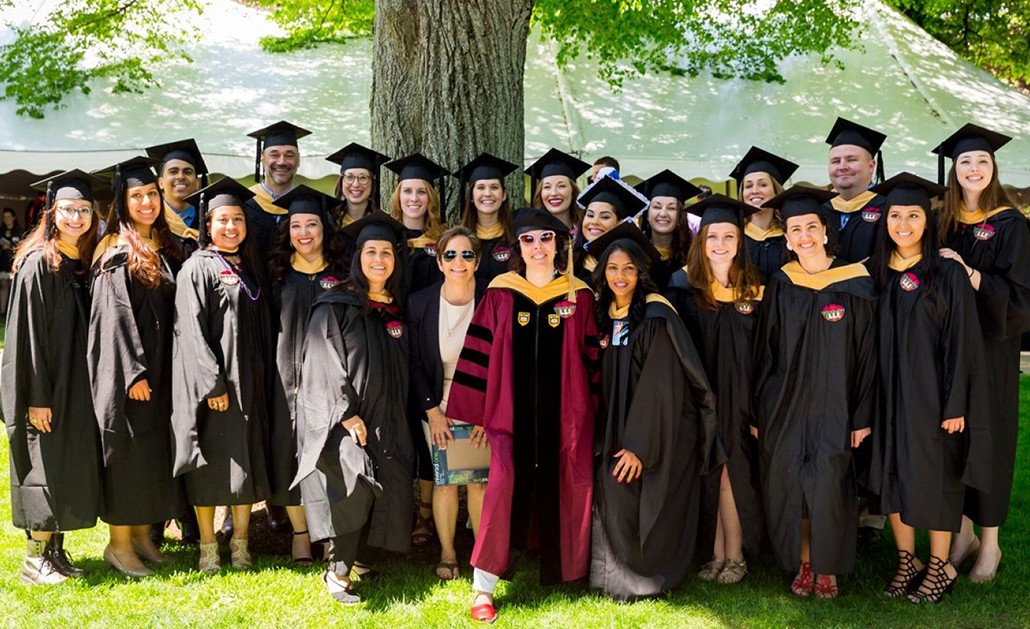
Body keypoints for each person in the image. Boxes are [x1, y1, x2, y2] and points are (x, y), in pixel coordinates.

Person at [446, 207, 599, 623]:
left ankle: (567, 568)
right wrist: (476, 413)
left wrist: (596, 414)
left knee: (570, 482)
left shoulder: (578, 296)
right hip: (507, 418)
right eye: (529, 240)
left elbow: (591, 361)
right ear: (518, 247)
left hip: (566, 418)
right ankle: (483, 587)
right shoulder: (500, 292)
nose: (538, 247)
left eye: (546, 239)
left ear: (559, 244)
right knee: (501, 490)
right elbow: (478, 353)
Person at [867, 172, 992, 603]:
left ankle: (940, 568)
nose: (904, 224)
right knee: (892, 474)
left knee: (937, 479)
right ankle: (907, 563)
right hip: (887, 395)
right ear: (885, 221)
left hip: (933, 396)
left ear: (927, 220)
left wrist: (955, 403)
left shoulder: (947, 274)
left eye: (913, 215)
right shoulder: (876, 274)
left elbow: (963, 343)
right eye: (896, 215)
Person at [753, 185, 877, 599]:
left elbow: (867, 354)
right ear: (785, 238)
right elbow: (765, 352)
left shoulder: (855, 283)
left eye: (811, 227)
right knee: (795, 487)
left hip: (835, 405)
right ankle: (806, 562)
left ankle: (829, 569)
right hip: (786, 404)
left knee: (830, 485)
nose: (804, 235)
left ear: (825, 230)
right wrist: (761, 411)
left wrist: (861, 415)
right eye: (795, 229)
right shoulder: (781, 284)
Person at [586, 222, 717, 601]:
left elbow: (661, 386)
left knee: (620, 484)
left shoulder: (656, 315)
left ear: (642, 273)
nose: (620, 276)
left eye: (629, 268)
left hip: (662, 431)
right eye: (612, 268)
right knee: (607, 483)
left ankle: (641, 579)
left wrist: (639, 447)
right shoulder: (605, 314)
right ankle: (613, 576)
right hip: (620, 426)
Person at [293, 212, 414, 605]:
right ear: (358, 257)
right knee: (353, 484)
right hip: (343, 422)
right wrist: (345, 413)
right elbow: (322, 361)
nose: (379, 259)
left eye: (386, 253)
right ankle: (336, 572)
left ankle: (361, 558)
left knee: (386, 479)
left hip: (387, 419)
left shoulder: (395, 309)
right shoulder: (337, 305)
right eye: (371, 252)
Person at [933, 123, 1030, 583]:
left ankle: (990, 546)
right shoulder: (942, 222)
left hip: (991, 348)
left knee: (988, 440)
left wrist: (971, 275)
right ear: (955, 171)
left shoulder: (1012, 225)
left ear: (993, 170)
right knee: (952, 437)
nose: (973, 168)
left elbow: (1021, 298)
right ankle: (963, 533)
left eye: (982, 162)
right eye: (966, 162)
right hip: (947, 347)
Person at [88, 157, 187, 577]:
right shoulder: (116, 251)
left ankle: (144, 536)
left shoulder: (164, 244)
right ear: (122, 203)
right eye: (136, 196)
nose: (146, 202)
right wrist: (133, 373)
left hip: (161, 370)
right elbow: (115, 317)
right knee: (128, 456)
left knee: (151, 454)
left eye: (151, 194)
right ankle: (119, 544)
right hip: (130, 375)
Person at [2, 171, 103, 584]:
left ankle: (55, 553)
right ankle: (34, 560)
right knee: (42, 467)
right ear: (51, 212)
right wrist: (37, 396)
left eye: (83, 210)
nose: (77, 217)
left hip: (71, 386)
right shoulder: (38, 264)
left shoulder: (73, 260)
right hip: (45, 389)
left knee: (64, 466)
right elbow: (26, 339)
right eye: (68, 210)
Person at [170, 177, 273, 574]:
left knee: (244, 462)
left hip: (248, 382)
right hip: (214, 388)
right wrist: (212, 383)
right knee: (210, 467)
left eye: (238, 220)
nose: (231, 227)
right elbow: (191, 331)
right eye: (222, 220)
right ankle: (208, 546)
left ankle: (241, 543)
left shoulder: (248, 268)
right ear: (207, 225)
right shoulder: (196, 268)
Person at [664, 195, 766, 586]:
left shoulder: (756, 289)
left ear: (740, 242)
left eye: (729, 236)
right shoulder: (682, 286)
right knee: (712, 471)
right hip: (702, 395)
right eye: (712, 236)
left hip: (742, 397)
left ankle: (733, 554)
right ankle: (718, 551)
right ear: (700, 241)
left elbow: (767, 351)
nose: (720, 244)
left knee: (730, 471)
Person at [267, 185, 348, 566]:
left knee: (328, 454)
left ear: (324, 230)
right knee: (288, 455)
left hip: (328, 381)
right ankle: (301, 535)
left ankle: (330, 535)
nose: (304, 233)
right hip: (284, 379)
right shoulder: (277, 276)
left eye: (312, 224)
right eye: (296, 225)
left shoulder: (342, 275)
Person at [407, 226, 488, 581]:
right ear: (439, 262)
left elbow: (501, 361)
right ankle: (448, 553)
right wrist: (432, 412)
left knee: (477, 482)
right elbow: (415, 363)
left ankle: (482, 556)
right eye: (451, 255)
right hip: (437, 404)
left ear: (477, 261)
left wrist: (487, 413)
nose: (459, 261)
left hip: (480, 404)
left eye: (467, 254)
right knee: (444, 481)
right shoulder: (421, 302)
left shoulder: (491, 299)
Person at [383, 152, 448, 543]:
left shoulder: (441, 244)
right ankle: (394, 510)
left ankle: (425, 515)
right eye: (407, 191)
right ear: (398, 196)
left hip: (426, 348)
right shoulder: (384, 241)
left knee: (427, 433)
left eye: (420, 192)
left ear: (430, 199)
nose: (413, 198)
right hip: (389, 348)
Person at [822, 117, 888, 264]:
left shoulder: (890, 208)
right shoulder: (816, 208)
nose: (842, 166)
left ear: (871, 166)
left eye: (851, 159)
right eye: (835, 161)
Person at [728, 146, 798, 280]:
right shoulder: (734, 236)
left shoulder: (790, 235)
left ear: (776, 190)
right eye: (748, 186)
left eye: (763, 184)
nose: (754, 191)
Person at [244, 120, 311, 256]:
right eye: (274, 155)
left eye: (289, 155)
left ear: (298, 159)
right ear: (262, 158)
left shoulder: (311, 206)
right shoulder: (244, 203)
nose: (281, 162)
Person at [453, 153, 519, 283]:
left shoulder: (517, 237)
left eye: (494, 187)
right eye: (480, 188)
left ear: (504, 195)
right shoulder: (458, 240)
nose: (487, 194)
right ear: (471, 196)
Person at [634, 169, 701, 289]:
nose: (663, 213)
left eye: (671, 208)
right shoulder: (635, 252)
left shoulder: (694, 254)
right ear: (647, 214)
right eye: (657, 207)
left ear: (680, 215)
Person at [574, 176, 647, 282]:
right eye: (590, 215)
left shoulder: (634, 263)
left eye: (605, 217)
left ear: (620, 223)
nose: (594, 221)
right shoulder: (571, 261)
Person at [146, 138, 208, 260]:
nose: (180, 176)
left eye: (188, 172)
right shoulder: (151, 222)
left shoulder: (209, 219)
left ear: (197, 183)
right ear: (161, 182)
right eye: (173, 171)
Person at [326, 142, 391, 227]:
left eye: (363, 177)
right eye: (349, 177)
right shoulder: (328, 222)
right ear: (341, 181)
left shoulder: (385, 223)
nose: (356, 184)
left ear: (372, 183)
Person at [525, 148, 591, 230]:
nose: (553, 193)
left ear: (572, 191)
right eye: (547, 187)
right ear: (540, 193)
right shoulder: (531, 234)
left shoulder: (587, 231)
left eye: (561, 186)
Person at [1, 206, 24, 317]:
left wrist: (10, 247)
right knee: (4, 285)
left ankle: (12, 313)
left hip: (15, 262)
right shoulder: (1, 232)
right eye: (4, 217)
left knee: (12, 286)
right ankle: (2, 311)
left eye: (9, 217)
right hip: (3, 263)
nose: (6, 219)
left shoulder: (20, 231)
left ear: (14, 218)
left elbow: (22, 248)